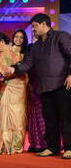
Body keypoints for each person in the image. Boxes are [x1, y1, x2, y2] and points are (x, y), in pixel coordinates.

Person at [6, 13, 71, 159]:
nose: (33, 30)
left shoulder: (61, 36)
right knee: (50, 119)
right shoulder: (35, 46)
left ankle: (69, 147)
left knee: (66, 118)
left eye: (35, 26)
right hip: (44, 87)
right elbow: (28, 64)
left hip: (63, 85)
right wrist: (14, 69)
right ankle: (52, 147)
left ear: (44, 24)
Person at [0, 32, 28, 155]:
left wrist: (6, 76)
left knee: (17, 115)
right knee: (4, 115)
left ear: (2, 41)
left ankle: (16, 146)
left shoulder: (16, 52)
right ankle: (5, 145)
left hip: (18, 86)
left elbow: (21, 71)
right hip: (4, 87)